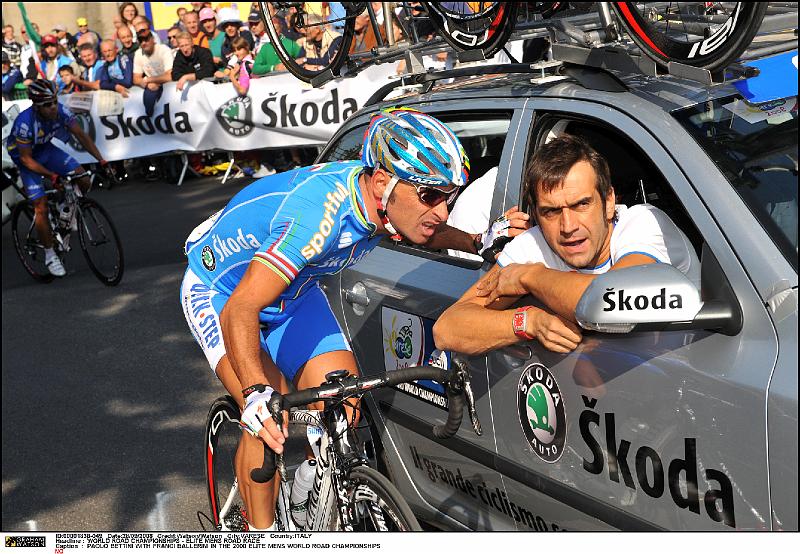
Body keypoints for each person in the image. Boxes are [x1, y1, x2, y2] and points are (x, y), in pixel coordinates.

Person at [180, 107, 527, 530]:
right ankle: (260, 533)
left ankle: (310, 488)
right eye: (430, 195)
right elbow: (241, 309)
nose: (441, 210)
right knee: (269, 417)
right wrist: (253, 393)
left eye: (449, 197)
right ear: (382, 182)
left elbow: (425, 227)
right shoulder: (318, 217)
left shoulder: (386, 200)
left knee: (343, 402)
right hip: (222, 292)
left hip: (293, 290)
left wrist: (477, 240)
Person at [433, 134, 701, 355]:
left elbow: (613, 303)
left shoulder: (644, 223)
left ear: (608, 202)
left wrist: (532, 276)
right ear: (536, 215)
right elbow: (447, 328)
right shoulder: (532, 245)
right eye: (551, 211)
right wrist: (528, 321)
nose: (568, 226)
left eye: (581, 204)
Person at [6, 79, 111, 277]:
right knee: (41, 206)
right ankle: (49, 255)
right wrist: (51, 175)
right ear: (36, 106)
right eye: (47, 104)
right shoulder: (25, 123)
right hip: (26, 159)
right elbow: (27, 160)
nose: (53, 107)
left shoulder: (61, 111)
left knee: (83, 178)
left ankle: (67, 210)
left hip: (46, 150)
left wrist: (102, 159)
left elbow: (81, 135)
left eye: (54, 101)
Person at [133, 29, 173, 117]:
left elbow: (170, 76)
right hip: (152, 86)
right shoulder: (138, 53)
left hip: (169, 85)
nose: (144, 43)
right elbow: (136, 78)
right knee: (149, 108)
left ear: (153, 39)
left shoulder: (163, 49)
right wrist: (147, 84)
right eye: (141, 40)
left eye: (146, 39)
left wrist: (149, 80)